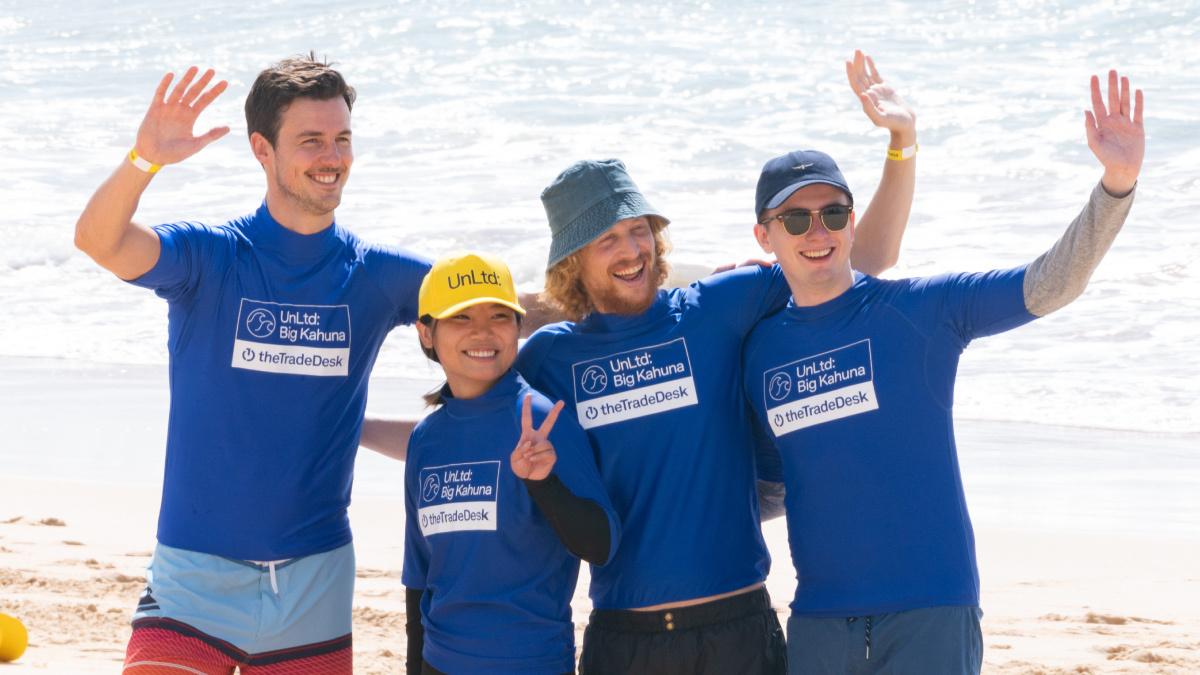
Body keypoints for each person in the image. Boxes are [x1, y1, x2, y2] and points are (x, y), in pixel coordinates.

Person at [512, 51, 917, 674]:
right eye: (607, 239)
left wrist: (902, 145)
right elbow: (479, 412)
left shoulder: (716, 307)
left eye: (638, 229)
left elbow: (864, 259)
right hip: (625, 639)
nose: (632, 249)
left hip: (739, 626)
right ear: (574, 262)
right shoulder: (550, 357)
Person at [740, 70, 1142, 674]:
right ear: (765, 237)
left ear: (853, 220)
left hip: (932, 610)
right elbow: (770, 486)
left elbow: (1053, 283)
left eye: (833, 213)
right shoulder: (757, 348)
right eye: (796, 221)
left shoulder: (922, 311)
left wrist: (1117, 183)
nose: (817, 232)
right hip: (820, 619)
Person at [73, 56, 436, 673]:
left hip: (314, 585)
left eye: (342, 138)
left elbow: (495, 313)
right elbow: (98, 241)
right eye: (312, 140)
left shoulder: (379, 275)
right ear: (262, 150)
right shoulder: (210, 258)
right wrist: (145, 160)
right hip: (192, 580)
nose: (333, 156)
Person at [401, 252, 619, 674]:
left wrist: (544, 483)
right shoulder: (426, 437)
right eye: (461, 318)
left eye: (499, 316)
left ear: (518, 327)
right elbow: (419, 576)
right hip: (439, 663)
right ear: (426, 333)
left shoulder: (541, 420)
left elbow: (601, 545)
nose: (483, 332)